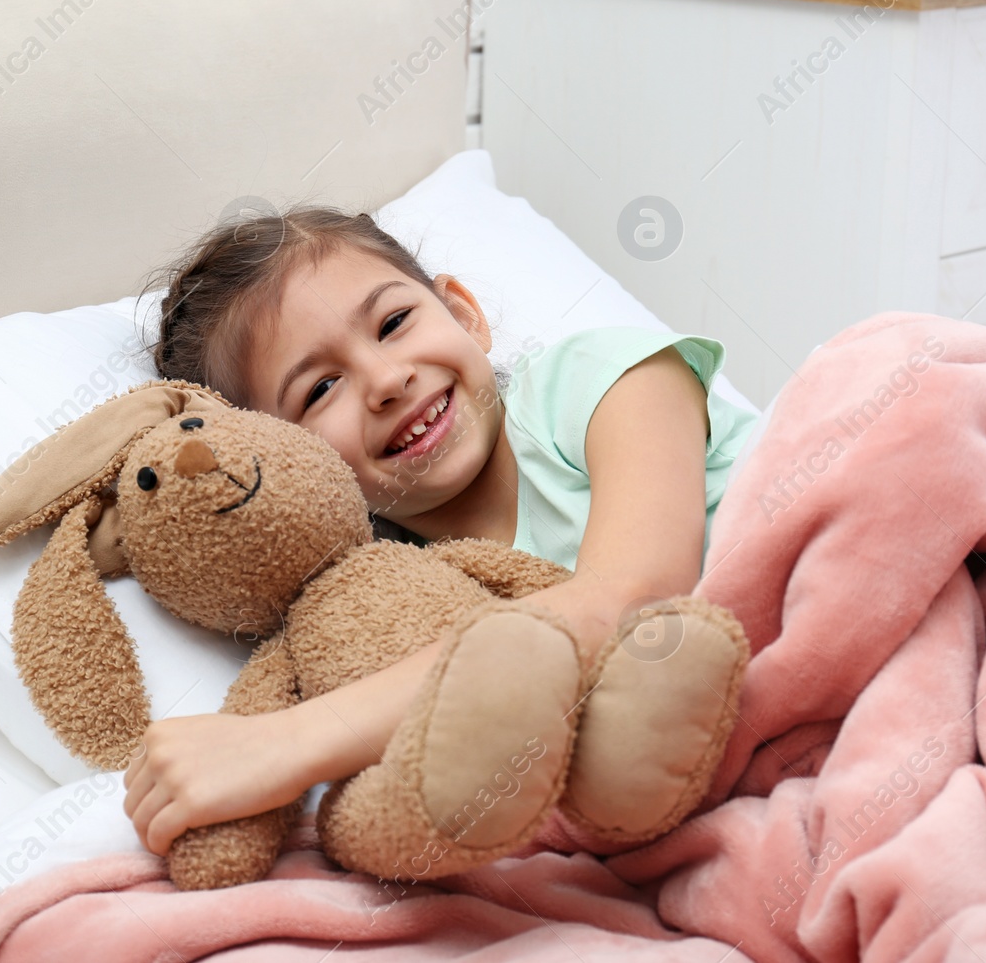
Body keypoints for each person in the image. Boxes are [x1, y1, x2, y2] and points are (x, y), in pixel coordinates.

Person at [122, 207, 755, 856]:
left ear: (463, 312)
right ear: (287, 458)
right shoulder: (398, 594)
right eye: (320, 388)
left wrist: (281, 744)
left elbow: (636, 597)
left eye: (394, 323)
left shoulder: (595, 380)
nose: (388, 380)